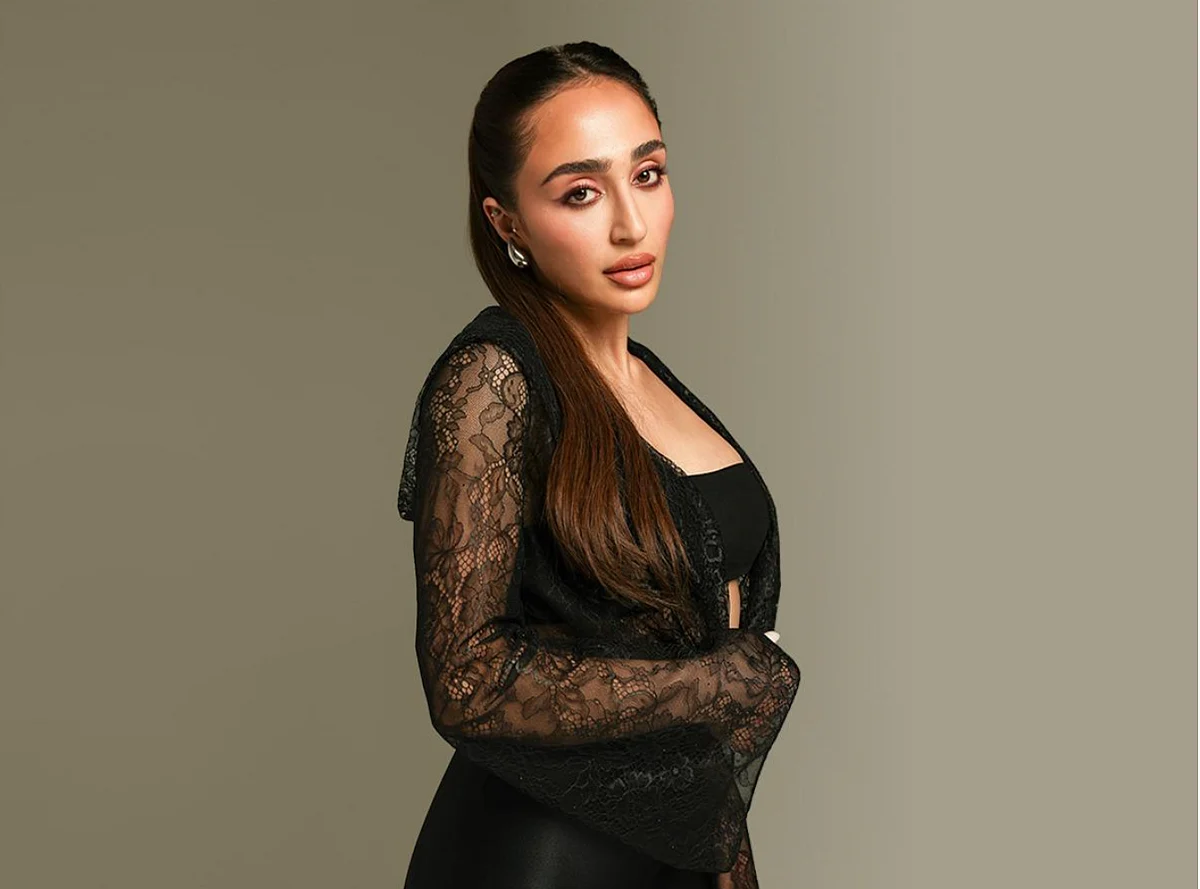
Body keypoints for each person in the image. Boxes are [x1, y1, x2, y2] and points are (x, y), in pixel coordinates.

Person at [396, 41, 801, 889]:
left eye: (647, 175)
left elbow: (704, 737)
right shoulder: (494, 379)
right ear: (506, 221)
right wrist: (710, 683)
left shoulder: (649, 379)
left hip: (672, 853)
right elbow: (466, 677)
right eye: (580, 192)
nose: (630, 223)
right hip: (538, 858)